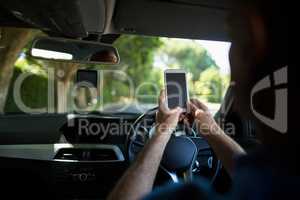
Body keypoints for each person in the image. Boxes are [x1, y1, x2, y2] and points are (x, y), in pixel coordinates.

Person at [107, 0, 291, 200]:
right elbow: (250, 173)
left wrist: (162, 131)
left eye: (233, 36)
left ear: (255, 40)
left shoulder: (190, 196)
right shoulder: (273, 182)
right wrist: (210, 128)